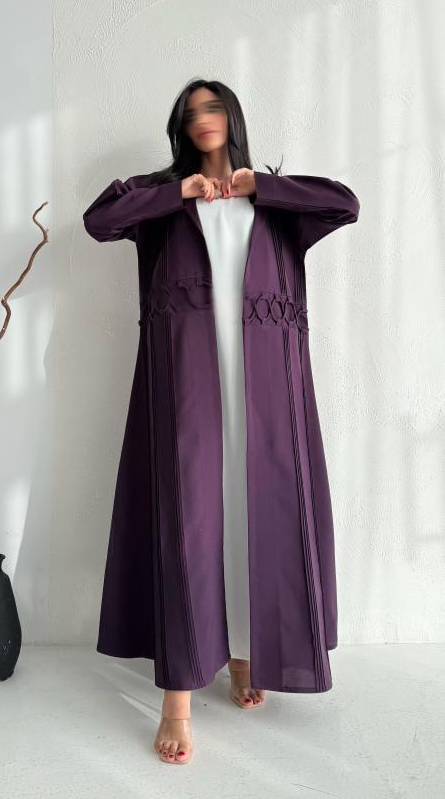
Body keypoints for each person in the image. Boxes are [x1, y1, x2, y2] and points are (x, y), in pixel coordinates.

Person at [82, 79, 360, 765]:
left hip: (266, 388)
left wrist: (259, 186)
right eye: (189, 113)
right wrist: (178, 192)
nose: (202, 119)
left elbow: (344, 203)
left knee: (255, 520)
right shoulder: (161, 199)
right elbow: (99, 220)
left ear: (232, 116)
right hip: (189, 383)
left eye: (212, 107)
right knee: (191, 521)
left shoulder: (272, 198)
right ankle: (177, 700)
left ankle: (244, 657)